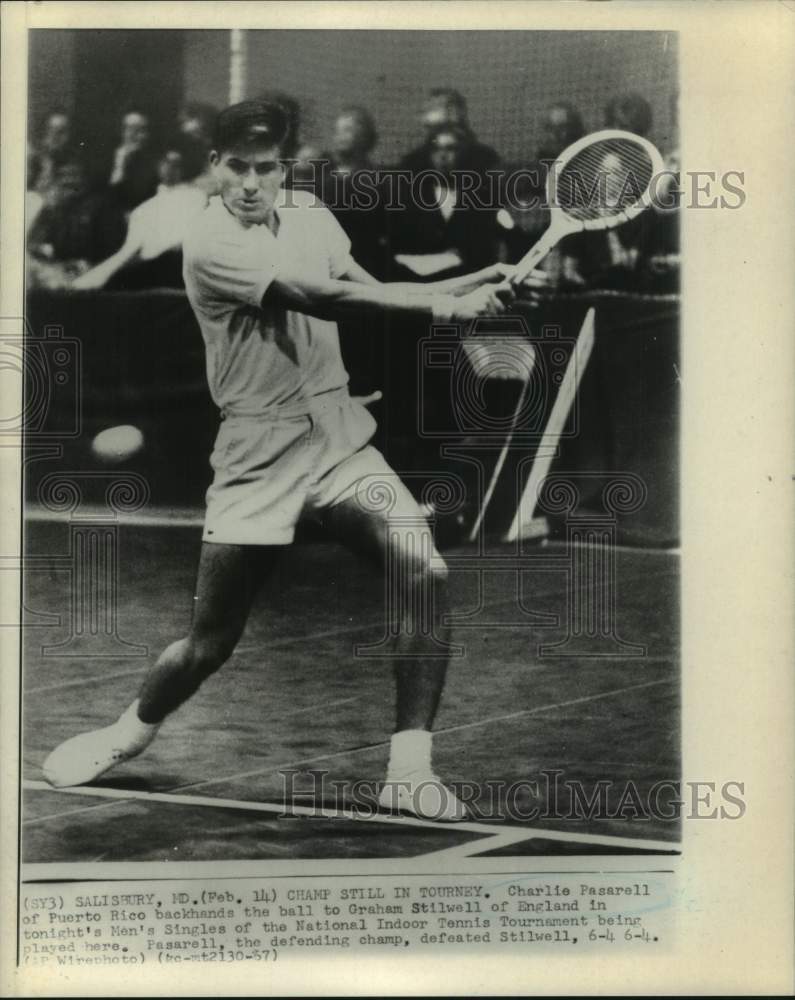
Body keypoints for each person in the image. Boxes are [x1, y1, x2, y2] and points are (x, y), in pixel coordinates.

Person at [42, 99, 528, 822]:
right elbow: (321, 297)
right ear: (214, 166)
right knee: (209, 644)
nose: (249, 183)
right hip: (257, 455)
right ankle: (128, 731)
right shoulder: (208, 242)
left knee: (422, 570)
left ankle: (408, 768)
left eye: (264, 168)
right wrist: (442, 310)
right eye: (235, 167)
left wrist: (472, 285)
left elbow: (363, 283)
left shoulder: (309, 215)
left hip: (336, 438)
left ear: (285, 168)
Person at [72, 143, 208, 290]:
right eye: (166, 163)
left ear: (182, 169)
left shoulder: (196, 197)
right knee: (115, 278)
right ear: (158, 166)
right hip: (150, 268)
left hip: (180, 263)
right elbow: (127, 252)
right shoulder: (143, 210)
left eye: (176, 164)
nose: (170, 168)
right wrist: (92, 275)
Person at [108, 109, 159, 211]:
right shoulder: (105, 158)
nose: (140, 136)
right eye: (133, 130)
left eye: (143, 130)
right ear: (122, 131)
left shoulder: (153, 166)